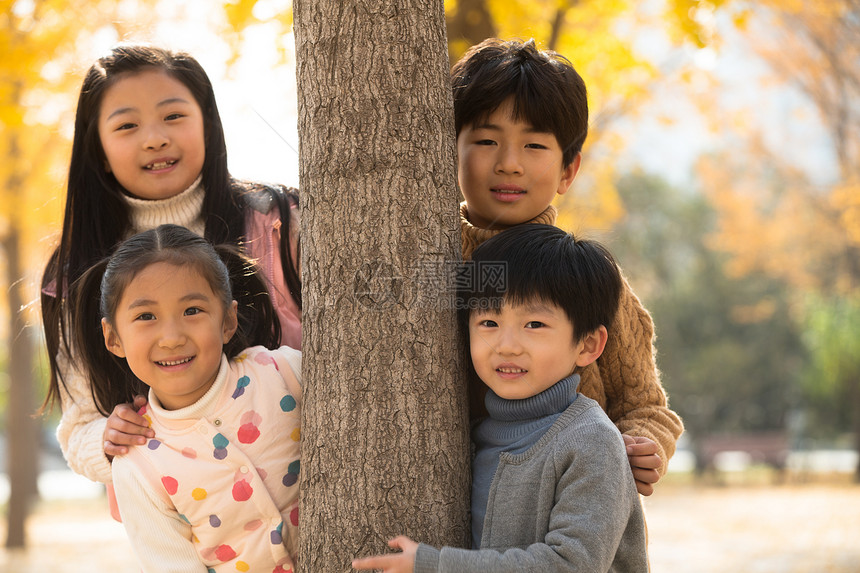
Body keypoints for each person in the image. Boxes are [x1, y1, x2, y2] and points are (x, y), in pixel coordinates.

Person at [40, 44, 301, 486]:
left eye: (174, 116)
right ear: (99, 150)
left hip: (309, 499)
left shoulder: (278, 222)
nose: (155, 138)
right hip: (182, 526)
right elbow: (78, 426)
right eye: (126, 125)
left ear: (208, 125)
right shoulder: (75, 273)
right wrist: (109, 437)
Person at [451, 38, 683, 495]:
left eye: (535, 145)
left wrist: (642, 445)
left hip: (565, 512)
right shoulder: (437, 266)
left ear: (568, 170)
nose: (509, 163)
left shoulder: (585, 278)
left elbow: (646, 404)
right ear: (449, 152)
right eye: (485, 140)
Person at [353, 224, 648, 572]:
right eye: (489, 322)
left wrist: (436, 566)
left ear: (587, 345)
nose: (506, 345)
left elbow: (570, 565)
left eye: (534, 324)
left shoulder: (590, 441)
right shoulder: (472, 437)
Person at [72, 224, 301, 572]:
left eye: (192, 310)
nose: (172, 337)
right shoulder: (139, 467)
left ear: (227, 320)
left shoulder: (283, 373)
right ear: (113, 337)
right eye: (146, 316)